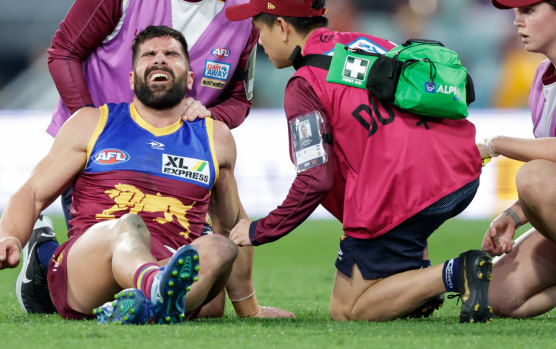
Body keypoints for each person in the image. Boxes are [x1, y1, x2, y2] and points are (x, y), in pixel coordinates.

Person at [225, 0, 494, 322]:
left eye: (259, 30)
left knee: (348, 310)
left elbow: (316, 178)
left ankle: (454, 273)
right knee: (395, 234)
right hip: (462, 169)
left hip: (406, 188)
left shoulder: (305, 83)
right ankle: (416, 282)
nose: (259, 43)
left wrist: (260, 230)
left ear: (282, 27)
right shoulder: (370, 42)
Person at [0, 26, 258, 324]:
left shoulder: (215, 138)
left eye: (171, 54)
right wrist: (8, 238)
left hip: (169, 256)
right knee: (127, 226)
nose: (160, 60)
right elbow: (31, 193)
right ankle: (156, 289)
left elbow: (231, 229)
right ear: (131, 78)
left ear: (190, 78)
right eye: (149, 54)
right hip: (93, 264)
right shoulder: (92, 122)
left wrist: (248, 309)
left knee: (220, 247)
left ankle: (145, 307)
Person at [33, 0, 293, 319]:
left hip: (179, 164)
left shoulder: (242, 16)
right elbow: (63, 51)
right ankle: (45, 256)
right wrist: (96, 130)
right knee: (114, 251)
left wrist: (210, 116)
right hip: (104, 160)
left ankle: (142, 298)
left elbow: (240, 98)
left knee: (208, 306)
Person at [477, 0, 556, 318]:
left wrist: (496, 144)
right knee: (496, 297)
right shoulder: (541, 78)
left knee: (531, 177)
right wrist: (514, 214)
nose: (516, 22)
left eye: (528, 11)